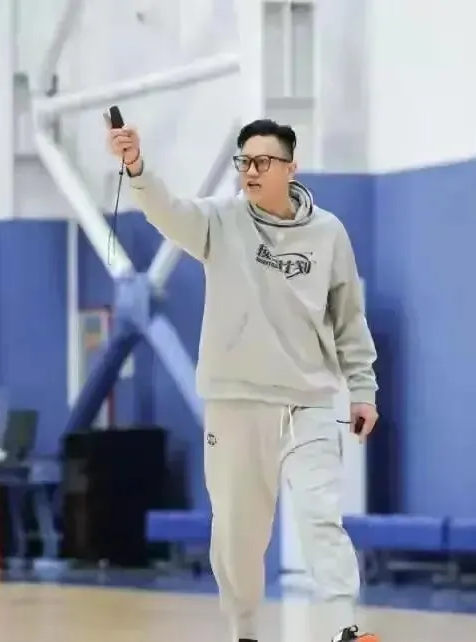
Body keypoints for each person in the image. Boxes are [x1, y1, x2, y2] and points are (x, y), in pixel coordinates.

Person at [105, 116, 379, 642]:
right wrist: (136, 166)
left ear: (291, 168)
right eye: (244, 162)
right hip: (235, 406)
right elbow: (167, 211)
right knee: (237, 536)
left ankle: (345, 628)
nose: (250, 171)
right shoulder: (220, 222)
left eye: (262, 162)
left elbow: (349, 320)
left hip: (309, 402)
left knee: (321, 516)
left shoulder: (329, 234)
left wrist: (362, 389)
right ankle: (245, 630)